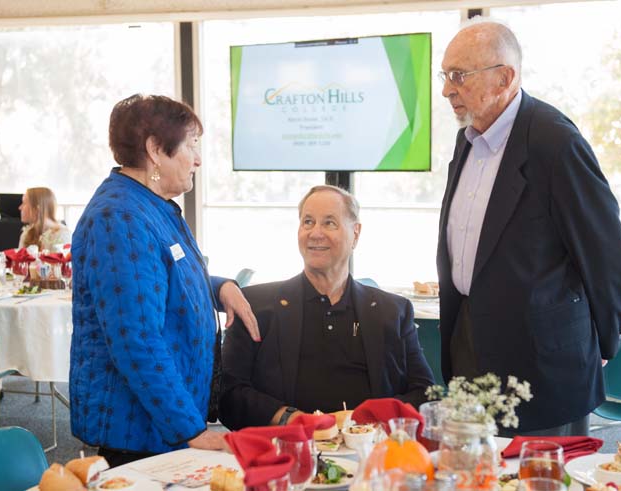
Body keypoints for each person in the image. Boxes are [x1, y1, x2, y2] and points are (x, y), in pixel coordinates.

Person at [436, 18, 621, 435]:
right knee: (477, 471)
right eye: (445, 76)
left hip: (543, 364)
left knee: (540, 476)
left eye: (458, 76)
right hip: (471, 342)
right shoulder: (467, 138)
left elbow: (609, 254)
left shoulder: (554, 141)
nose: (446, 89)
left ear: (505, 77)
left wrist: (603, 341)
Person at [70, 94, 260, 467]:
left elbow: (161, 280)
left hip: (161, 423)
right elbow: (135, 339)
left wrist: (220, 287)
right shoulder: (119, 218)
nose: (199, 159)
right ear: (156, 150)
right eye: (192, 145)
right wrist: (192, 430)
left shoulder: (147, 204)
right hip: (139, 431)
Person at [219, 185, 434, 430]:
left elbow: (426, 394)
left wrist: (366, 419)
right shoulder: (255, 306)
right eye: (308, 222)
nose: (315, 233)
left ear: (356, 233)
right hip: (287, 449)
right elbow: (229, 395)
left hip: (370, 451)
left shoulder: (393, 311)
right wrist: (294, 418)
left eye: (329, 223)